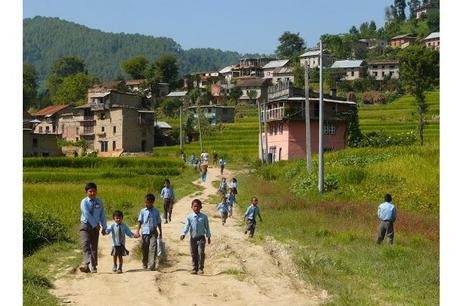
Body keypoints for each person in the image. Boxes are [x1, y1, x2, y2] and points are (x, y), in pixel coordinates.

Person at [79, 182, 108, 273]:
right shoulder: (84, 202)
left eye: (94, 191)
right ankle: (86, 265)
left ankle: (94, 266)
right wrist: (95, 224)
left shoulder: (99, 202)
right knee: (85, 244)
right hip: (85, 225)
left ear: (96, 192)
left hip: (95, 228)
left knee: (94, 247)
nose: (92, 193)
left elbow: (102, 215)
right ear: (86, 192)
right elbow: (86, 214)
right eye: (90, 191)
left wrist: (104, 227)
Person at [180, 199, 211, 275]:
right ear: (192, 207)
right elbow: (186, 226)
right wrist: (183, 234)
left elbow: (207, 227)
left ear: (201, 207)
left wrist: (208, 237)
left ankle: (200, 269)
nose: (196, 208)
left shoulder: (204, 217)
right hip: (193, 238)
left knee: (201, 253)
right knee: (193, 253)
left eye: (198, 206)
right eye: (194, 206)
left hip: (201, 238)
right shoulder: (190, 217)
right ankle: (194, 268)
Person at [136, 193, 162, 271]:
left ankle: (152, 265)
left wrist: (161, 232)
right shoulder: (143, 211)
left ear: (152, 202)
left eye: (147, 202)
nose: (146, 204)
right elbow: (140, 221)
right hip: (145, 233)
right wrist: (137, 231)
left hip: (153, 232)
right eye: (145, 202)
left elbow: (159, 222)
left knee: (153, 248)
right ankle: (145, 262)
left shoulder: (156, 211)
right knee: (145, 248)